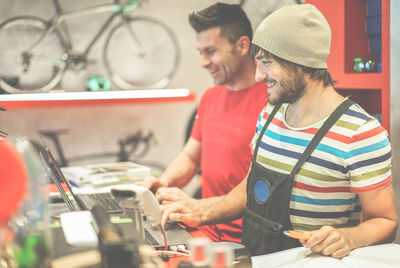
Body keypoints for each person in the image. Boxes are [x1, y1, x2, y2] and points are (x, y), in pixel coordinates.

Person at [160, 4, 398, 258]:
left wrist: (349, 237)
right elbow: (250, 188)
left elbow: (385, 221)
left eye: (266, 62)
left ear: (301, 61)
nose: (258, 76)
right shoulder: (270, 114)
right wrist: (200, 210)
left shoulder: (361, 133)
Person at [142, 3, 268, 243]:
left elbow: (252, 187)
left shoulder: (271, 102)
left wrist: (195, 206)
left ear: (242, 45)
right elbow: (191, 157)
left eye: (211, 51)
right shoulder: (211, 97)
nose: (203, 62)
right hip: (203, 230)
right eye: (200, 52)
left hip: (245, 240)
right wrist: (164, 181)